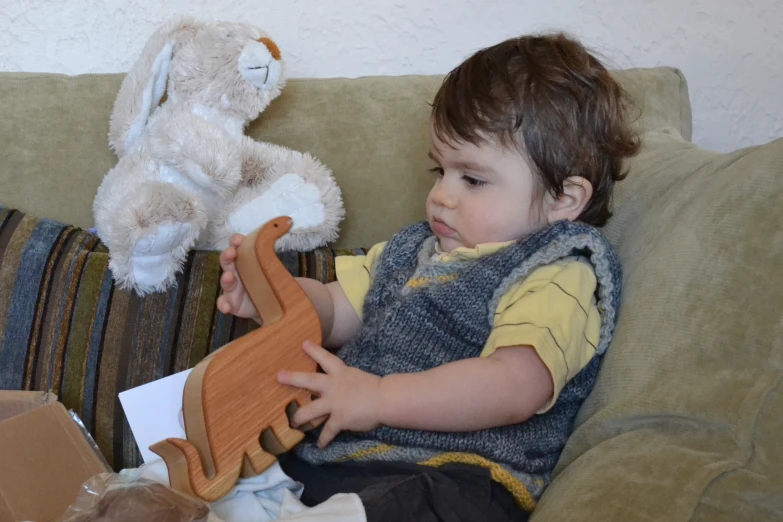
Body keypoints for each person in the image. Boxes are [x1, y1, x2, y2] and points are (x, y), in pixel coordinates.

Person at [217, 31, 639, 522]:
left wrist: (378, 398)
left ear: (564, 199)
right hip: (346, 460)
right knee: (242, 474)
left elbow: (513, 387)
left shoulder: (557, 272)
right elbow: (333, 313)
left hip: (459, 476)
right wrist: (272, 297)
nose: (441, 195)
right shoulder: (412, 249)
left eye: (473, 179)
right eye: (439, 171)